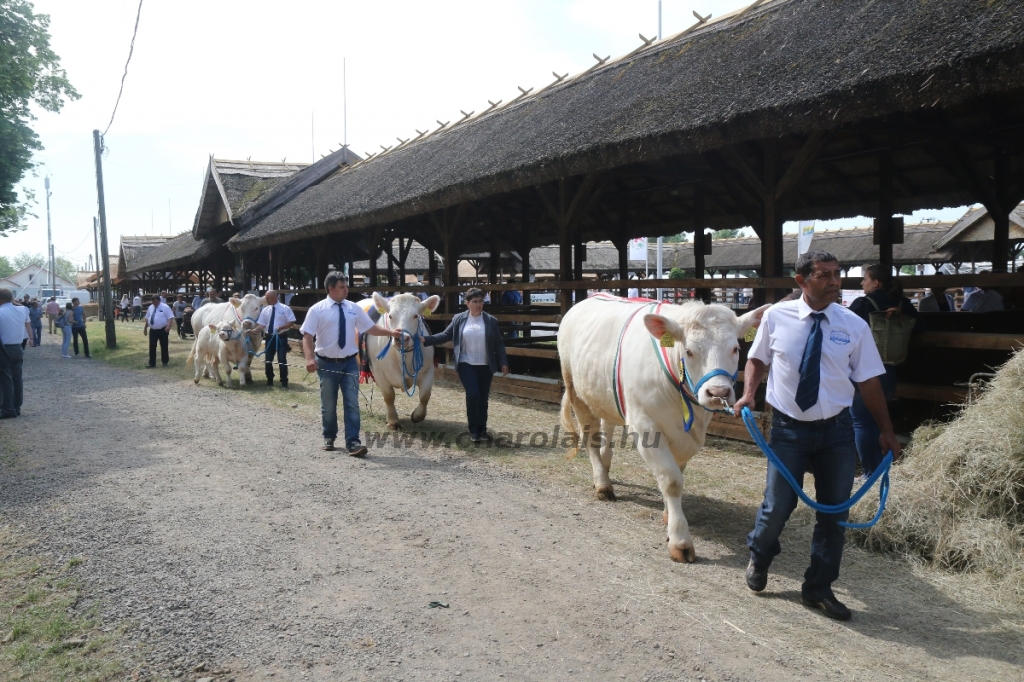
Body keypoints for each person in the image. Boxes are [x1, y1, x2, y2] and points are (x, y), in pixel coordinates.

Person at [733, 251, 900, 622]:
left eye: (838, 274)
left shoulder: (853, 325)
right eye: (824, 274)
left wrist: (886, 431)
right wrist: (748, 393)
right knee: (777, 506)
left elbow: (869, 380)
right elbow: (757, 359)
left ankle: (819, 588)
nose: (835, 281)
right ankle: (760, 557)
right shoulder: (777, 317)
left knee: (835, 513)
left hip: (836, 432)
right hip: (789, 429)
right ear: (801, 281)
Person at [300, 272, 401, 455]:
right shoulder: (317, 309)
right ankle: (329, 436)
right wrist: (309, 358)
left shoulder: (354, 308)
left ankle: (353, 442)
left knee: (352, 404)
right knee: (329, 404)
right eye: (342, 287)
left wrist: (391, 333)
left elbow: (370, 328)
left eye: (346, 286)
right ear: (331, 289)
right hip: (326, 364)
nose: (346, 290)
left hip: (349, 363)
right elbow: (307, 336)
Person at [847, 264, 917, 481]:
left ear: (875, 282)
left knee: (861, 422)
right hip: (890, 367)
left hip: (864, 369)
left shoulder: (861, 304)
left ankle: (871, 473)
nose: (861, 283)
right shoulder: (903, 304)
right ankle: (879, 470)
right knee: (879, 420)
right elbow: (920, 325)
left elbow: (844, 330)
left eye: (864, 279)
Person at [422, 287, 509, 443]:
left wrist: (503, 361)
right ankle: (474, 431)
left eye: (481, 301)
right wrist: (426, 339)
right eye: (474, 301)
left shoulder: (491, 321)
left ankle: (482, 430)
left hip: (485, 365)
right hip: (466, 364)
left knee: (483, 398)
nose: (478, 304)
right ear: (467, 303)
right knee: (473, 395)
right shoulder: (459, 319)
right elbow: (445, 335)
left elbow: (498, 344)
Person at [251, 289, 296, 388]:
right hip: (269, 337)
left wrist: (282, 327)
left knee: (281, 359)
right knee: (268, 359)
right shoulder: (266, 310)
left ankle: (284, 382)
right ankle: (269, 380)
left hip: (281, 337)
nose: (266, 299)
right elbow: (262, 324)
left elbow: (291, 321)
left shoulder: (285, 308)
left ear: (274, 297)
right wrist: (254, 331)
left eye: (267, 298)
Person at [0, 288, 34, 418]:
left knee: (5, 379)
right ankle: (16, 406)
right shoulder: (23, 310)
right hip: (18, 346)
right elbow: (27, 322)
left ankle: (7, 408)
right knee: (17, 378)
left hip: (4, 348)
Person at [142, 294, 174, 368]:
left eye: (156, 302)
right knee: (152, 346)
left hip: (163, 329)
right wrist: (145, 328)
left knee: (164, 346)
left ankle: (165, 361)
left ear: (159, 300)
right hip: (153, 330)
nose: (154, 303)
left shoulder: (165, 307)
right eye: (153, 302)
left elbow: (170, 317)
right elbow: (147, 318)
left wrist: (168, 326)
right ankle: (152, 363)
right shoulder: (150, 307)